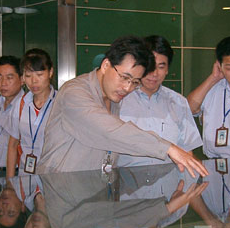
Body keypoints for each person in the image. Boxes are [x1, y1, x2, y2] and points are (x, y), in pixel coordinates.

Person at [37, 35, 207, 177]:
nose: (127, 88)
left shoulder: (113, 98)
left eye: (135, 82)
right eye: (124, 77)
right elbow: (109, 130)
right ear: (106, 65)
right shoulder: (74, 92)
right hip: (61, 192)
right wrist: (168, 148)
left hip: (95, 193)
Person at [118, 35, 202, 166]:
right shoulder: (120, 99)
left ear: (167, 69)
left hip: (170, 178)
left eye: (161, 67)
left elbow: (187, 151)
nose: (154, 73)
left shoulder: (179, 102)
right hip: (127, 177)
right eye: (150, 66)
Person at [7, 49, 56, 177]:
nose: (34, 81)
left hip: (52, 176)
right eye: (28, 76)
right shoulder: (20, 104)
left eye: (39, 74)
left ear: (50, 72)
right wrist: (9, 181)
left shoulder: (60, 102)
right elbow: (13, 145)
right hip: (25, 175)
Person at [0, 56, 24, 178]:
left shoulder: (26, 108)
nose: (3, 83)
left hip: (18, 173)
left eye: (9, 78)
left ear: (22, 79)